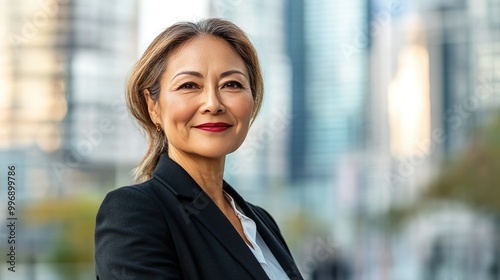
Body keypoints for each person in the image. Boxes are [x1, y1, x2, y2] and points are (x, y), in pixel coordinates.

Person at [94, 18, 303, 280]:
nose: (213, 104)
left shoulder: (262, 222)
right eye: (189, 85)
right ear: (153, 107)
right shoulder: (133, 212)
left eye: (232, 84)